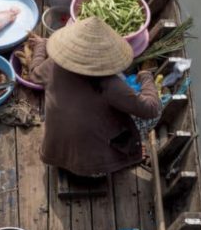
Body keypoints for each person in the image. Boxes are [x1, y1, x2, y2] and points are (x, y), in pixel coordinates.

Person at [27, 17, 161, 177]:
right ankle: (123, 151)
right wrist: (146, 77)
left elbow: (34, 73)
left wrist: (41, 45)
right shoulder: (110, 84)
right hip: (95, 171)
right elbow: (151, 109)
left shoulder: (53, 66)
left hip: (54, 155)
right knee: (156, 112)